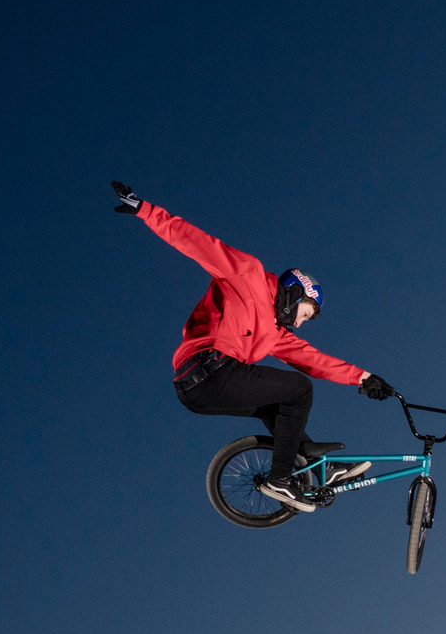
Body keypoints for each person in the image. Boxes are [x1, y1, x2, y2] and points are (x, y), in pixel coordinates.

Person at [110, 180, 395, 512]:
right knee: (299, 391)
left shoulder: (275, 333)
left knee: (281, 408)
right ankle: (279, 481)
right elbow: (199, 244)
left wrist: (364, 377)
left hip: (196, 392)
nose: (299, 323)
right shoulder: (248, 273)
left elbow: (312, 358)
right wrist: (146, 210)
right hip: (208, 366)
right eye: (303, 313)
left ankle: (322, 468)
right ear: (295, 292)